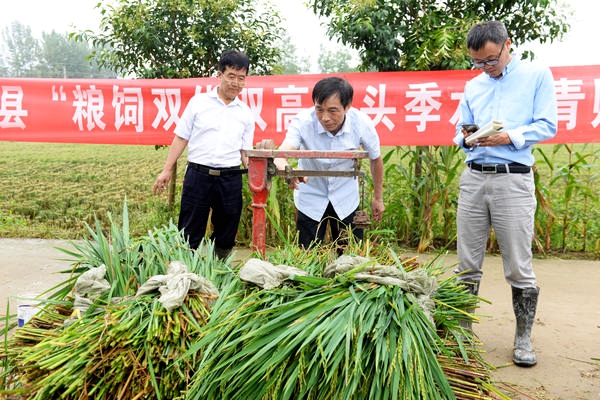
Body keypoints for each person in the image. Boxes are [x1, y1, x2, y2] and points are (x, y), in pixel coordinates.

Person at [453, 21, 557, 367]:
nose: (485, 68)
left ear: (507, 45)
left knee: (518, 264)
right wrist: (467, 136)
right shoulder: (473, 86)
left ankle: (523, 339)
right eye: (478, 62)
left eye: (491, 60)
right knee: (467, 264)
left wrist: (508, 136)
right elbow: (459, 130)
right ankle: (463, 335)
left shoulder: (536, 75)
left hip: (512, 180)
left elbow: (547, 124)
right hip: (474, 177)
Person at [153, 50, 254, 259]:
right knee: (190, 229)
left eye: (241, 78)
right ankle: (186, 272)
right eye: (231, 76)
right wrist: (166, 170)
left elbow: (245, 152)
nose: (235, 83)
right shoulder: (198, 103)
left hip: (230, 178)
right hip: (198, 175)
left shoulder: (245, 113)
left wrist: (255, 179)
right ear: (220, 75)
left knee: (227, 230)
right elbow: (181, 138)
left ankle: (219, 271)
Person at [275, 76, 385, 252]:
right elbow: (280, 156)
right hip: (311, 196)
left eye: (333, 111)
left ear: (347, 107)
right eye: (319, 109)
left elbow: (375, 158)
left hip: (346, 197)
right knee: (307, 256)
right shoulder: (303, 121)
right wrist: (289, 171)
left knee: (350, 260)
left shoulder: (361, 123)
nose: (325, 118)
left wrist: (378, 198)